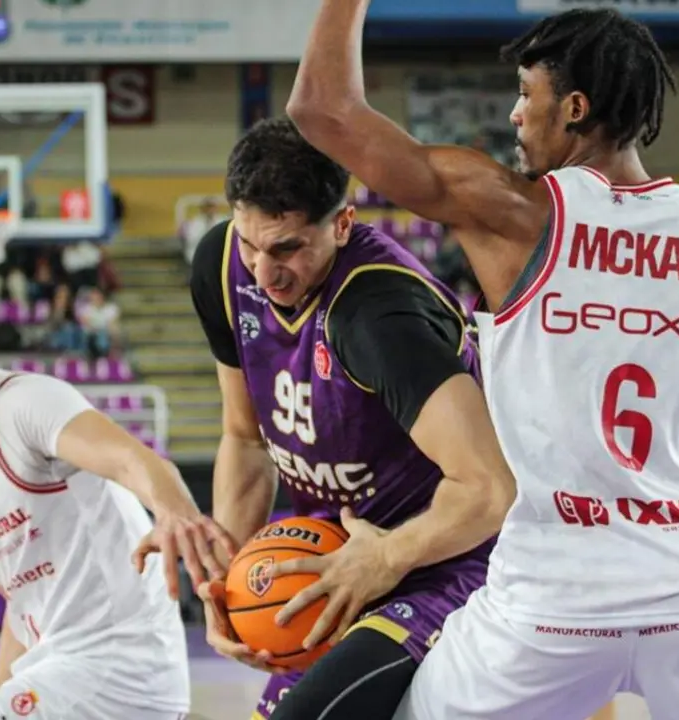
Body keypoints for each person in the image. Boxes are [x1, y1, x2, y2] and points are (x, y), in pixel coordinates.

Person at [287, 5, 679, 719]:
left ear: (574, 108)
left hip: (552, 604)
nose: (515, 114)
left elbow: (322, 111)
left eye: (526, 94)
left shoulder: (513, 213)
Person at [185, 117, 515, 719]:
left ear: (342, 222)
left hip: (445, 562)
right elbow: (244, 438)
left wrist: (387, 558)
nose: (263, 273)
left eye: (286, 247)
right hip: (335, 559)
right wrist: (232, 583)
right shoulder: (221, 266)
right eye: (250, 243)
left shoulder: (378, 316)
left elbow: (491, 489)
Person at [0, 251, 228, 720]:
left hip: (122, 663)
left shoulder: (26, 403)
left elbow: (137, 462)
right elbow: (21, 602)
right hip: (60, 671)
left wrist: (173, 510)